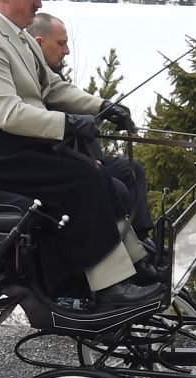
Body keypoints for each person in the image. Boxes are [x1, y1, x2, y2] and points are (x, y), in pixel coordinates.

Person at [0, 0, 156, 306]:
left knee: (104, 176)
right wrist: (69, 124)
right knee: (85, 178)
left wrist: (102, 107)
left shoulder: (18, 36)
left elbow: (53, 88)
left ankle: (134, 265)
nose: (39, 3)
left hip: (19, 145)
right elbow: (8, 114)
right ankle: (107, 286)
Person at [29, 12, 153, 241]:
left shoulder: (49, 74)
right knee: (114, 186)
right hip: (53, 163)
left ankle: (142, 240)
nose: (66, 51)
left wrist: (106, 108)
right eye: (61, 43)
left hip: (80, 156)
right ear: (39, 43)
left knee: (132, 171)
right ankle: (117, 252)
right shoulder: (28, 75)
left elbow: (73, 102)